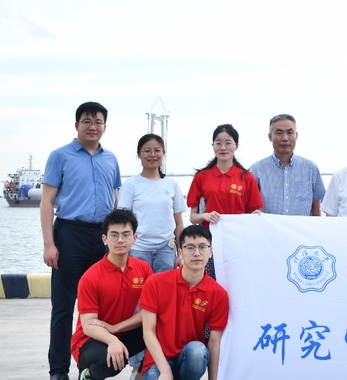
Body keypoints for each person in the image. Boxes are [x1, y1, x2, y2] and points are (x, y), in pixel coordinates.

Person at [40, 101, 122, 380]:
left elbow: (115, 199)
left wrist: (114, 239)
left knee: (99, 308)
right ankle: (58, 370)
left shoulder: (110, 159)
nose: (92, 126)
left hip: (101, 237)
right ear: (76, 125)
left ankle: (88, 367)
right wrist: (49, 244)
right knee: (63, 306)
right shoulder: (59, 156)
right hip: (69, 234)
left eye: (98, 122)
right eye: (87, 121)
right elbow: (47, 201)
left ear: (105, 127)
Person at [117, 134, 187, 379]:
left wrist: (180, 252)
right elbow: (123, 222)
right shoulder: (131, 185)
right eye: (147, 150)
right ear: (139, 154)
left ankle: (161, 358)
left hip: (166, 251)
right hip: (138, 252)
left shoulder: (172, 185)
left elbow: (179, 223)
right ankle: (138, 364)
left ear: (163, 154)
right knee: (139, 307)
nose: (152, 154)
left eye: (157, 150)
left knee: (165, 306)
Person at [72, 210, 153, 380]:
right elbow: (88, 325)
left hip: (121, 332)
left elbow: (151, 311)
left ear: (134, 238)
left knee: (162, 325)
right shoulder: (91, 277)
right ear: (105, 239)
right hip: (88, 341)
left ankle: (141, 375)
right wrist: (112, 340)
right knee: (113, 359)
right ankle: (87, 375)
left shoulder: (143, 268)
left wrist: (117, 328)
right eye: (114, 235)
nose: (120, 240)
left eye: (126, 235)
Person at [140, 225, 229, 380]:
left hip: (189, 358)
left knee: (198, 351)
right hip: (158, 361)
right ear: (180, 252)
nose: (197, 253)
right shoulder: (155, 282)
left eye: (203, 247)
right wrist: (165, 371)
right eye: (190, 247)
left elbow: (214, 342)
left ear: (210, 251)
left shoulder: (218, 294)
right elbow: (148, 331)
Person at [188, 123, 263, 279]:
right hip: (210, 240)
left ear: (236, 146)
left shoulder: (246, 177)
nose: (223, 148)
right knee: (210, 281)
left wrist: (255, 215)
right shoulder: (201, 177)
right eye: (218, 143)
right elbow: (193, 217)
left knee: (237, 280)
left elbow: (254, 213)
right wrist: (205, 216)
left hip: (238, 241)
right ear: (213, 146)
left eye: (228, 143)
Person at [249, 114, 325, 216]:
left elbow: (316, 204)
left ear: (296, 136)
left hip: (301, 227)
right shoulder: (256, 170)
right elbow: (250, 206)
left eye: (290, 132)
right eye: (279, 133)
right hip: (268, 227)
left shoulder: (310, 168)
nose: (285, 138)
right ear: (270, 137)